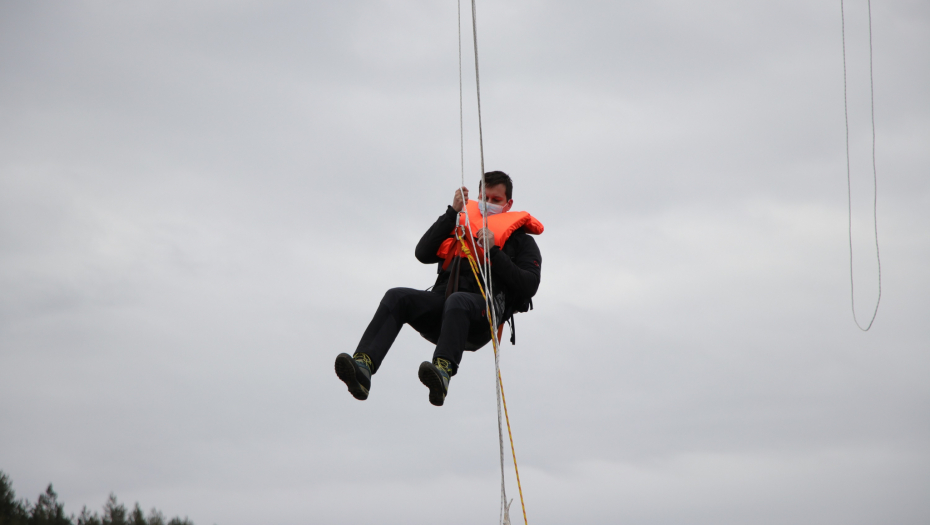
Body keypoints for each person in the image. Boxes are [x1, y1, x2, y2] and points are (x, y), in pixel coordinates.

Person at [334, 171, 543, 406]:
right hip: (444, 311)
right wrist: (451, 213)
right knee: (397, 296)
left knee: (458, 301)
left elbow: (529, 285)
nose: (489, 204)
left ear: (508, 204)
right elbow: (422, 253)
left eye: (496, 200)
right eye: (485, 198)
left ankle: (442, 372)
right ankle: (363, 366)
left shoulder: (522, 242)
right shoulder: (460, 225)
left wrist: (494, 251)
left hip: (481, 317)